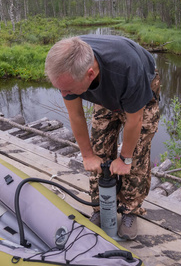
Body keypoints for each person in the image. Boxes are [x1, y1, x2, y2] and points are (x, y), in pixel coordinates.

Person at [45, 34, 160, 240]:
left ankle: (130, 210)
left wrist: (125, 159)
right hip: (105, 88)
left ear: (90, 74)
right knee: (99, 148)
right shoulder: (69, 66)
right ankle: (101, 206)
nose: (64, 94)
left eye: (68, 89)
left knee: (137, 152)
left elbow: (136, 120)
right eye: (60, 88)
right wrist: (87, 155)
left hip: (140, 85)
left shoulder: (128, 69)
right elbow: (76, 114)